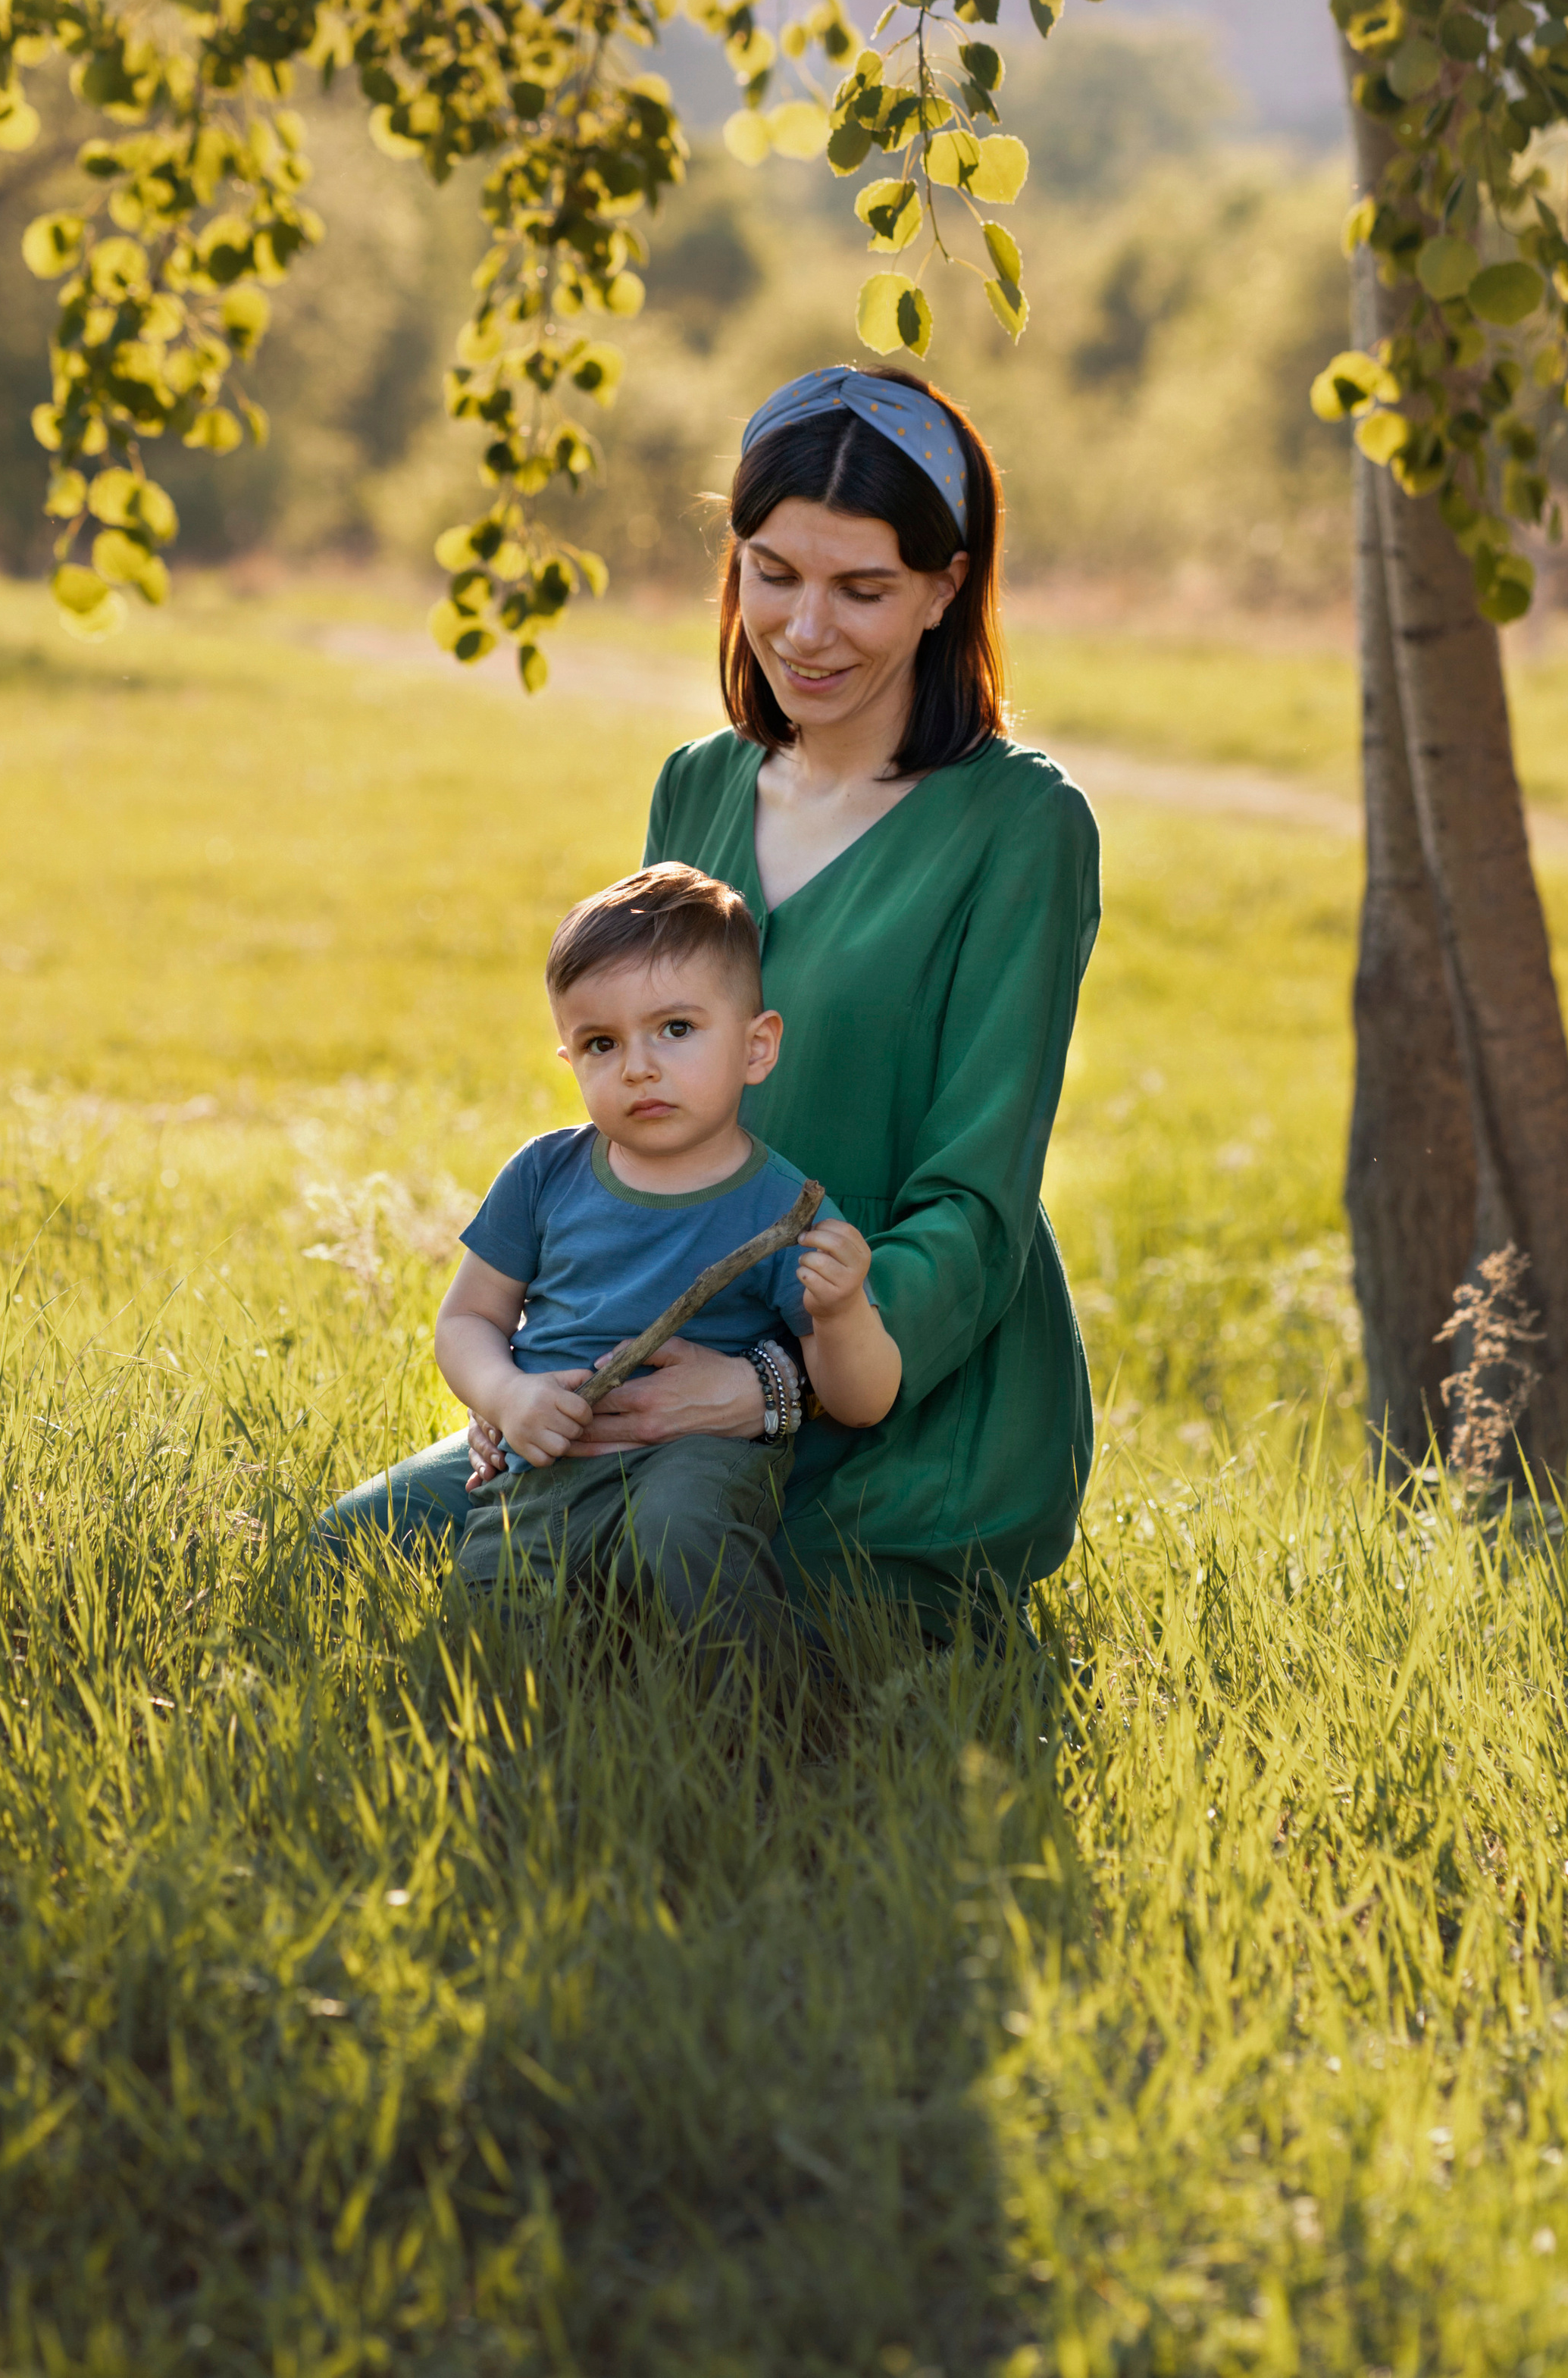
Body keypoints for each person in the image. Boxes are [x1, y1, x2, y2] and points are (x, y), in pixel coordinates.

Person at [319, 361, 1102, 1643]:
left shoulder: (1023, 825)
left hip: (899, 1399)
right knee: (355, 1552)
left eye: (864, 589)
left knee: (659, 1605)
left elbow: (976, 1198)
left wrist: (769, 1386)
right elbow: (653, 1124)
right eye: (772, 574)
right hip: (666, 1362)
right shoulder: (697, 787)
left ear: (945, 589)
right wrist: (550, 1377)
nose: (804, 630)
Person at [440, 861, 900, 1645]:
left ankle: (756, 1724)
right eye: (600, 1043)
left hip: (695, 1461)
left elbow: (862, 1400)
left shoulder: (781, 1207)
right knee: (492, 1605)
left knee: (681, 1531)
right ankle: (530, 1740)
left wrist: (845, 1310)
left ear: (756, 1048)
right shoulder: (543, 1175)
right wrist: (505, 1396)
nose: (639, 1066)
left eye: (675, 1030)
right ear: (570, 1062)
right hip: (547, 1463)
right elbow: (467, 1320)